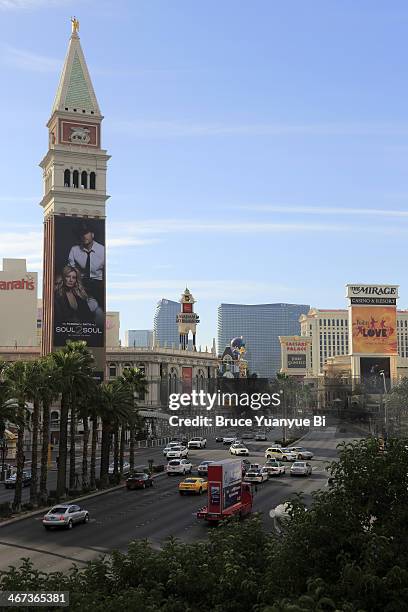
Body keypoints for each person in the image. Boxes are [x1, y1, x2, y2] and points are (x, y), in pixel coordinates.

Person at [68, 221, 105, 306]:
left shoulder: (103, 250)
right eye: (81, 234)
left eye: (86, 233)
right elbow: (70, 270)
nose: (83, 236)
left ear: (92, 234)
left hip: (98, 284)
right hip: (81, 283)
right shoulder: (74, 250)